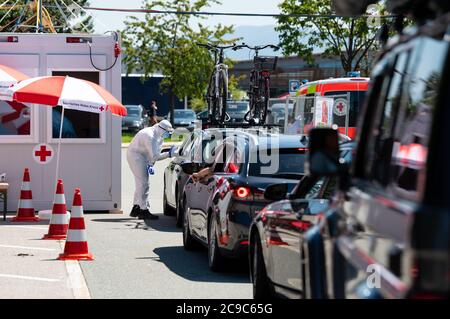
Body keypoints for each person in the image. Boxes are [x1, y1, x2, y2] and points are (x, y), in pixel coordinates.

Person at [127, 120, 177, 220]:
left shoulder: (159, 136)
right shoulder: (149, 135)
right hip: (136, 157)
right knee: (144, 183)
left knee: (140, 183)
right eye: (167, 132)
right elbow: (155, 156)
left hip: (142, 157)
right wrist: (169, 154)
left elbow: (155, 153)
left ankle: (136, 207)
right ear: (161, 128)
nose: (168, 134)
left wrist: (150, 164)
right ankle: (143, 210)